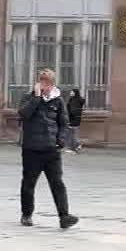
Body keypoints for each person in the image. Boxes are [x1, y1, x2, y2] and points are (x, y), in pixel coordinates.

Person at [18, 67, 78, 229]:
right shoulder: (28, 98)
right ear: (37, 82)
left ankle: (64, 216)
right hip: (32, 149)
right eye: (42, 81)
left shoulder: (58, 101)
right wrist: (37, 98)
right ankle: (27, 214)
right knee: (29, 183)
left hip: (51, 150)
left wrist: (61, 140)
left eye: (48, 82)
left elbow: (64, 124)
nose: (45, 85)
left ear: (52, 84)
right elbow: (23, 115)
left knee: (57, 183)